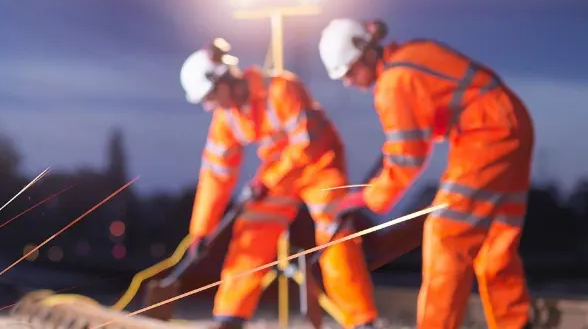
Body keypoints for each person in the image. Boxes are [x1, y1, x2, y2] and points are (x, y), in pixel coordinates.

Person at [318, 18, 535, 329]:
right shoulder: (409, 57)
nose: (349, 82)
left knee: (446, 233)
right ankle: (515, 323)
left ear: (366, 54)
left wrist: (366, 199)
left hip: (486, 134)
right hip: (511, 122)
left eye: (350, 72)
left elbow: (407, 158)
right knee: (495, 241)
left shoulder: (394, 83)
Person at [179, 38, 379, 329]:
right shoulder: (227, 118)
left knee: (335, 232)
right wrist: (200, 231)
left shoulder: (282, 88)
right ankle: (229, 318)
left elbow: (305, 143)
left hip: (320, 165)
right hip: (279, 176)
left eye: (211, 96)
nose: (212, 105)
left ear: (225, 79)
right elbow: (215, 175)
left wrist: (266, 180)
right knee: (251, 230)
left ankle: (362, 321)